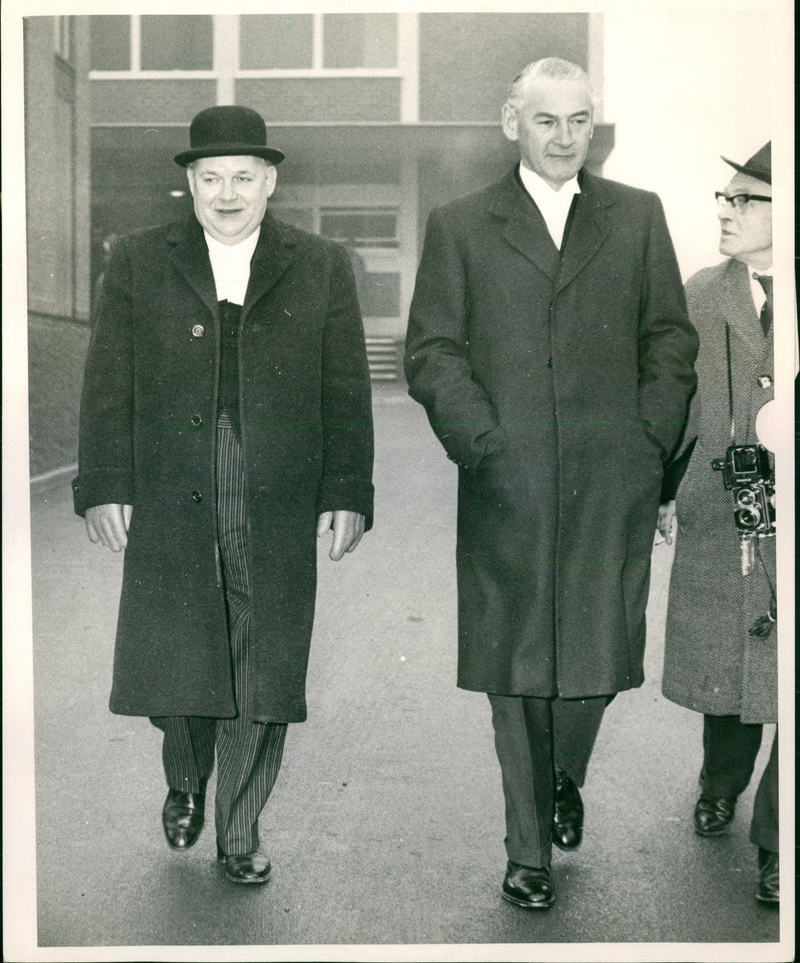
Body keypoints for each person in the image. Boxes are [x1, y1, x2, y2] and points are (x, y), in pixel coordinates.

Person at [404, 58, 698, 909]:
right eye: (547, 120)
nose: (565, 137)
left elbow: (669, 339)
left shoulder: (637, 216)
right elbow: (433, 350)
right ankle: (526, 846)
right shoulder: (462, 224)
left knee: (599, 657)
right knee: (516, 663)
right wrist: (483, 443)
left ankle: (562, 772)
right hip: (509, 480)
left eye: (579, 121)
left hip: (616, 479)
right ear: (512, 122)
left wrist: (649, 441)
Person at [73, 105, 374, 886]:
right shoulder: (138, 259)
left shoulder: (321, 264)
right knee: (179, 649)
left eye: (244, 176)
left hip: (275, 482)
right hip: (173, 480)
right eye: (211, 177)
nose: (228, 192)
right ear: (189, 184)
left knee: (262, 653)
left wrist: (348, 489)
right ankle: (185, 771)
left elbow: (347, 391)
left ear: (271, 181)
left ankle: (239, 830)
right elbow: (106, 383)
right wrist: (103, 483)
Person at [658, 142, 778, 905]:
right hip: (719, 509)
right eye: (723, 198)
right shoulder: (703, 293)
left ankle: (777, 842)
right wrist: (661, 491)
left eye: (746, 200)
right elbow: (672, 403)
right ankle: (721, 780)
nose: (724, 211)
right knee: (732, 669)